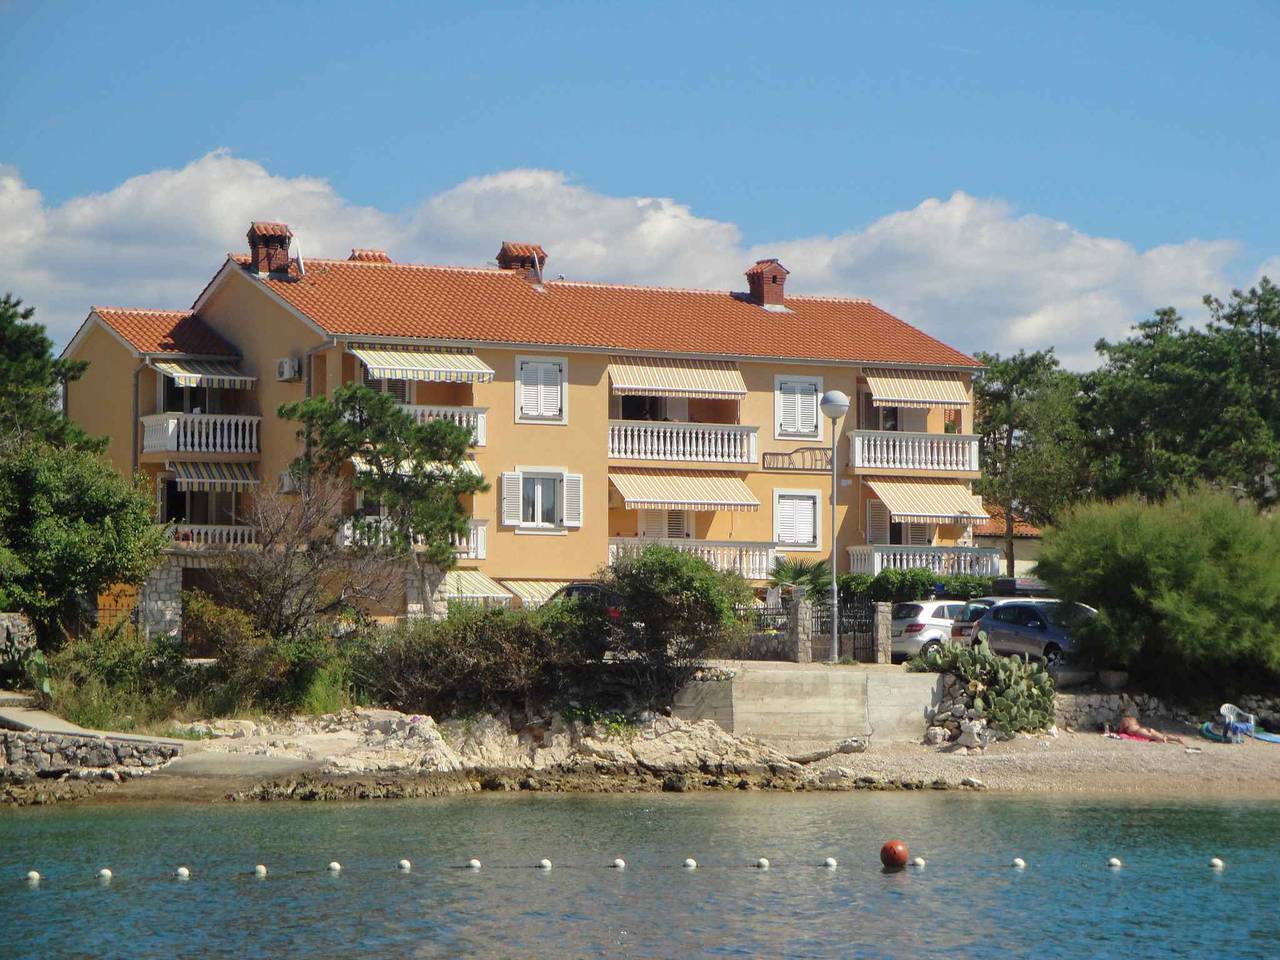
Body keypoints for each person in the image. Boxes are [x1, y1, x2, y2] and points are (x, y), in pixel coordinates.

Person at [1118, 715, 1184, 745]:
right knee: (1162, 736)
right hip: (1146, 728)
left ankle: (1164, 739)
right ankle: (1176, 739)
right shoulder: (1133, 720)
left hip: (1139, 731)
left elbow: (1120, 731)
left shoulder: (1124, 721)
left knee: (1158, 738)